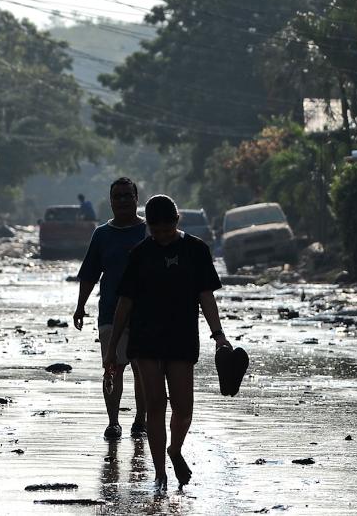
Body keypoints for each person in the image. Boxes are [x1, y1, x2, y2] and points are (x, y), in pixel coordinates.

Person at [103, 194, 230, 492]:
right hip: (145, 338)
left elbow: (206, 296)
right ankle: (159, 472)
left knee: (184, 408)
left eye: (167, 230)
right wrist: (111, 350)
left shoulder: (196, 250)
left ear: (176, 222)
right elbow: (125, 302)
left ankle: (175, 449)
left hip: (182, 336)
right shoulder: (140, 253)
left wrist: (219, 336)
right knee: (156, 404)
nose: (161, 236)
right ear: (148, 226)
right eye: (155, 231)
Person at [74, 177, 148, 440]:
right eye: (117, 196)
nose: (123, 201)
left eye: (128, 196)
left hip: (145, 314)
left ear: (137, 199)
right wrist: (80, 306)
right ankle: (113, 422)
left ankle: (141, 420)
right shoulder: (102, 234)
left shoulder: (149, 232)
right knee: (112, 367)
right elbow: (90, 274)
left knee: (142, 368)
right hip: (109, 311)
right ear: (111, 201)